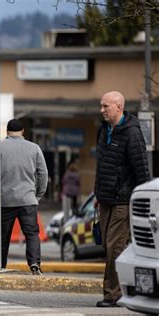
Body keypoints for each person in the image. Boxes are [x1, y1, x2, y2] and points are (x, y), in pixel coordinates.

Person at [94, 91, 150, 307]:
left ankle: (113, 294)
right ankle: (127, 288)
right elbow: (101, 167)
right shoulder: (103, 129)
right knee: (109, 247)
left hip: (123, 199)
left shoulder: (132, 133)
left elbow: (141, 170)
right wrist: (97, 195)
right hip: (105, 199)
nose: (102, 110)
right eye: (101, 105)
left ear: (118, 106)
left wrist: (141, 203)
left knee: (114, 246)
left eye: (105, 106)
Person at [0, 119, 48, 275]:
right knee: (32, 234)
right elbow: (43, 173)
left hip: (5, 200)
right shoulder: (34, 148)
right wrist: (38, 194)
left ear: (7, 132)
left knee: (3, 237)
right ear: (22, 132)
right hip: (28, 200)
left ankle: (0, 266)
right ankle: (34, 263)